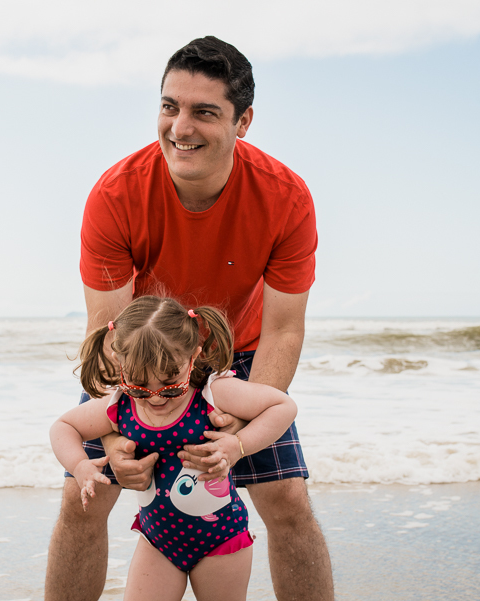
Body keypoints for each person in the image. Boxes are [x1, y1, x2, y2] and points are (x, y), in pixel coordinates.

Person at [45, 36, 334, 601]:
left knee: (288, 501)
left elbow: (283, 329)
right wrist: (116, 437)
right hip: (141, 354)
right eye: (170, 106)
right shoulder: (116, 193)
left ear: (243, 120)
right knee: (84, 498)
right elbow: (108, 331)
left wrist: (238, 428)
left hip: (240, 356)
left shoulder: (286, 197)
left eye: (205, 112)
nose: (181, 127)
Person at [51, 296, 297, 601]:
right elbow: (63, 427)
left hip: (222, 541)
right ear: (120, 364)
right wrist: (79, 465)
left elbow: (283, 405)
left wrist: (239, 445)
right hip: (157, 543)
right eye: (139, 384)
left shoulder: (213, 393)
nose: (155, 397)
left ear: (192, 357)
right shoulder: (119, 405)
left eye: (170, 384)